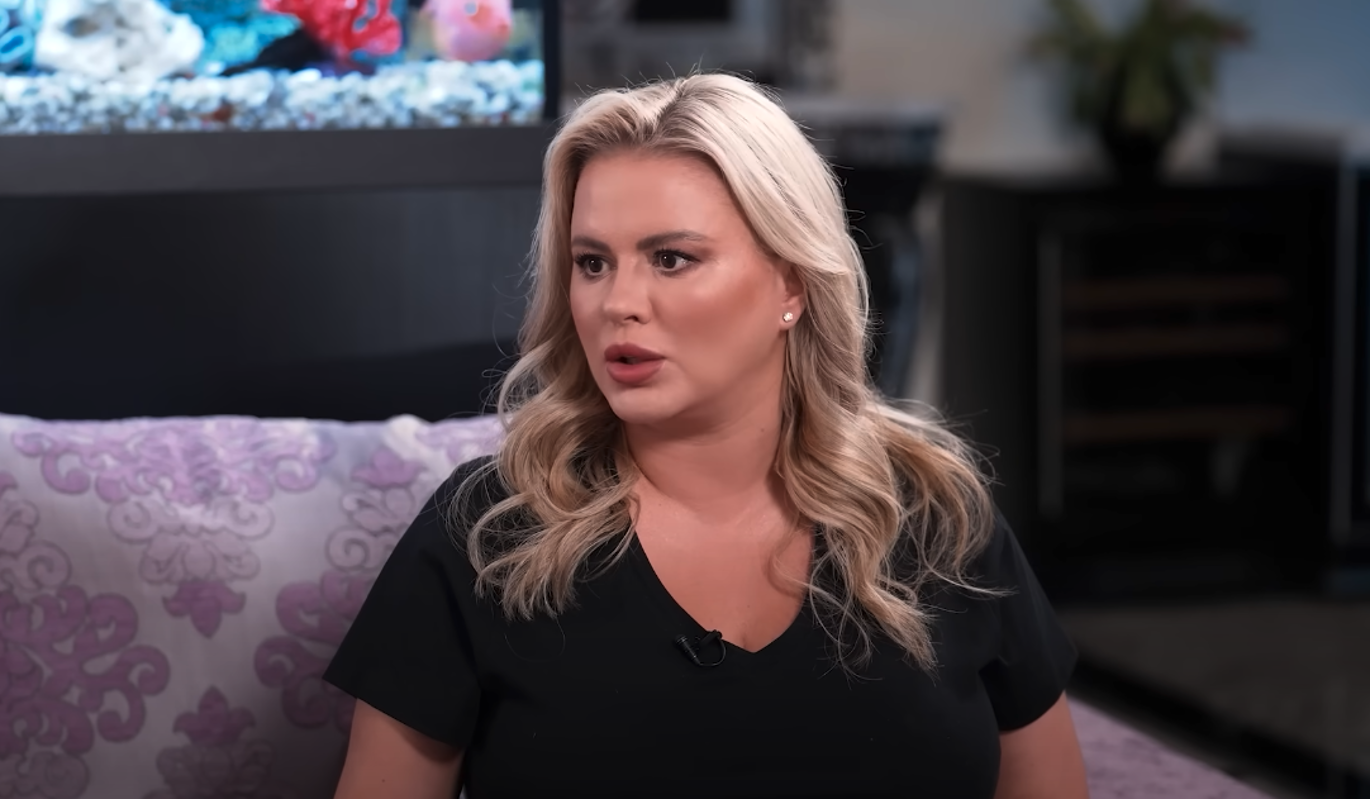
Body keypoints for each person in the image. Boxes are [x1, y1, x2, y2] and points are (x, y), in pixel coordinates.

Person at [323, 73, 1089, 799]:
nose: (618, 302)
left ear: (791, 281)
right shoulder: (488, 532)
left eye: (671, 258)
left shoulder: (934, 512)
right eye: (592, 262)